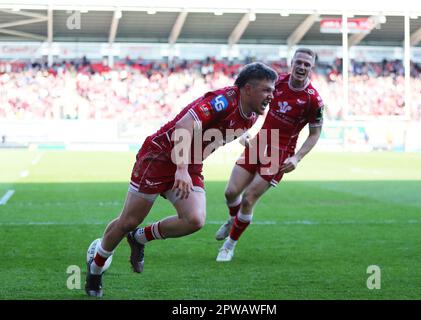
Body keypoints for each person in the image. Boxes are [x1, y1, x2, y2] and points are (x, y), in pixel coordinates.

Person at [85, 62, 277, 297]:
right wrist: (181, 170)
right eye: (267, 89)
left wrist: (248, 141)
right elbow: (183, 126)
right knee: (128, 220)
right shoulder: (223, 100)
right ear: (248, 88)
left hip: (190, 163)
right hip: (160, 157)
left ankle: (139, 239)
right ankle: (95, 269)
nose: (272, 95)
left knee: (195, 219)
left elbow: (228, 128)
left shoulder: (253, 114)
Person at [214, 48, 324, 262]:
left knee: (248, 199)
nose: (302, 67)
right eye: (298, 62)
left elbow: (315, 133)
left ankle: (229, 245)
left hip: (279, 154)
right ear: (292, 63)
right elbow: (253, 105)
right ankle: (232, 219)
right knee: (230, 192)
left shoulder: (313, 101)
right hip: (259, 142)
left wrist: (297, 157)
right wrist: (245, 131)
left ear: (312, 68)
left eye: (306, 64)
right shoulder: (276, 83)